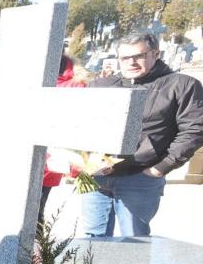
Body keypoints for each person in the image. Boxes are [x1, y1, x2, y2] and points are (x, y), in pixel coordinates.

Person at [77, 32, 203, 237]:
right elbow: (81, 125)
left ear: (155, 53)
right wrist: (83, 160)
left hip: (141, 176)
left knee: (135, 241)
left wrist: (161, 168)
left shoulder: (181, 85)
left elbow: (194, 130)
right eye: (124, 58)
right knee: (92, 239)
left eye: (139, 56)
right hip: (97, 176)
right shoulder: (102, 86)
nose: (131, 62)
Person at [39, 56, 88, 223]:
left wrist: (77, 166)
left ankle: (34, 248)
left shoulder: (76, 84)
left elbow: (79, 127)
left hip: (50, 159)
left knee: (34, 210)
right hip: (23, 155)